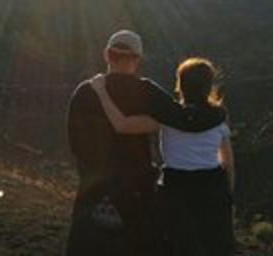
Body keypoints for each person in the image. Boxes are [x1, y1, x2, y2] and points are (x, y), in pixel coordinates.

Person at [65, 31, 226, 256]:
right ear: (137, 59)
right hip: (135, 194)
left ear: (106, 55)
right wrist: (218, 115)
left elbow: (75, 143)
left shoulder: (84, 92)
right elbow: (185, 119)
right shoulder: (146, 91)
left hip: (93, 192)